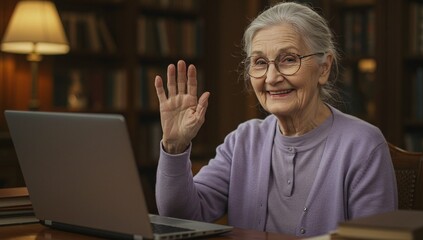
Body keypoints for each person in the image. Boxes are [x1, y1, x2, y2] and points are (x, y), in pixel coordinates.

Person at [153, 1, 398, 237]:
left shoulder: (364, 145)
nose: (271, 77)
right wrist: (175, 147)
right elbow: (181, 218)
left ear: (324, 68)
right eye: (260, 62)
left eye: (289, 59)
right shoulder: (243, 140)